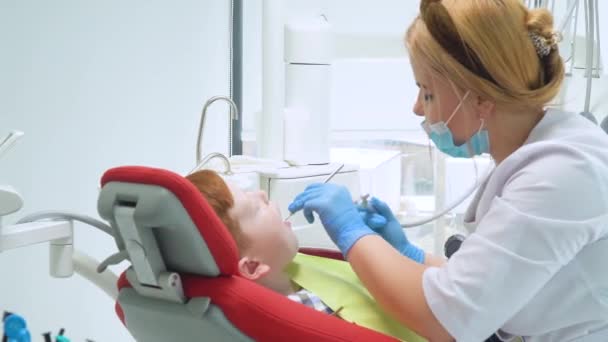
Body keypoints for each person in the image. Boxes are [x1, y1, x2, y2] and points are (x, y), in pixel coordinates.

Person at [288, 0, 608, 341]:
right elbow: (486, 285)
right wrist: (408, 255)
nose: (416, 109)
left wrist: (351, 232)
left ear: (481, 96)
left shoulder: (562, 173)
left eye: (427, 93)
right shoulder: (534, 155)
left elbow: (449, 320)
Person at [185, 170, 424, 341]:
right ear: (252, 266)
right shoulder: (303, 318)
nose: (262, 194)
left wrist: (395, 252)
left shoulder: (294, 269)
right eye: (255, 208)